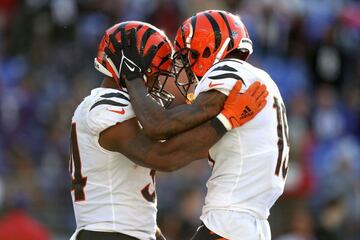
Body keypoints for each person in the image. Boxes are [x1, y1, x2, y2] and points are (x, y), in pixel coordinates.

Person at [69, 20, 268, 240]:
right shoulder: (105, 105)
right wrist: (226, 121)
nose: (158, 81)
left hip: (125, 232)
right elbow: (166, 157)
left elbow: (175, 144)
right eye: (154, 72)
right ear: (131, 67)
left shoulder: (121, 108)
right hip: (107, 234)